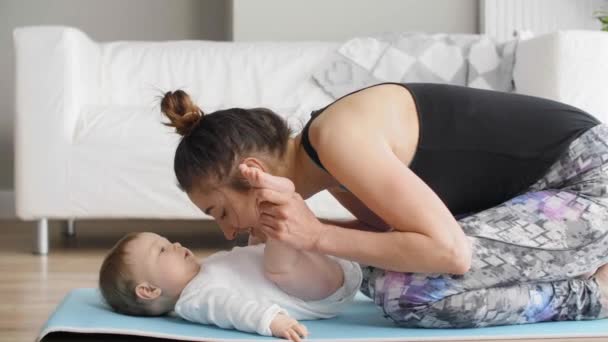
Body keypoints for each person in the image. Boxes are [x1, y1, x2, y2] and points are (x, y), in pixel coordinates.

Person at [160, 82, 608, 328]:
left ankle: (595, 293)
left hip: (592, 182)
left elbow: (451, 253)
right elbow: (393, 241)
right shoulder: (327, 164)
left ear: (252, 171)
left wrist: (316, 235)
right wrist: (305, 238)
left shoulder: (338, 140)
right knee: (379, 273)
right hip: (544, 194)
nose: (228, 232)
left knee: (407, 294)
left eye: (220, 211)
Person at [98, 229, 361, 341]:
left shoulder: (206, 269)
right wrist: (272, 321)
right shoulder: (195, 300)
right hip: (316, 292)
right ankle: (281, 212)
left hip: (319, 270)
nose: (176, 245)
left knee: (271, 245)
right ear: (149, 290)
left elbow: (247, 274)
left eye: (168, 240)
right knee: (278, 252)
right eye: (163, 250)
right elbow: (233, 308)